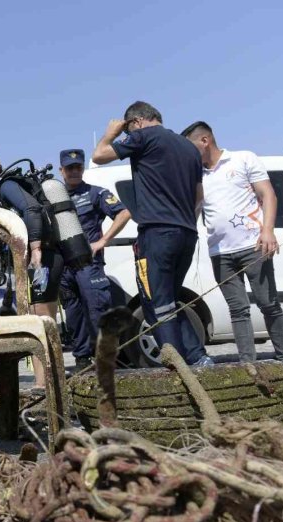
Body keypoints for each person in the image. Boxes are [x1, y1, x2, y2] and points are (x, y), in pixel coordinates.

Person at [92, 101, 214, 366]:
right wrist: (185, 224)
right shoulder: (189, 147)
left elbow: (98, 156)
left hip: (157, 234)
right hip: (186, 233)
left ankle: (178, 364)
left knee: (155, 303)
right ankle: (198, 357)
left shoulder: (142, 136)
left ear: (136, 122)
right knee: (169, 299)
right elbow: (199, 198)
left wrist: (112, 133)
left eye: (128, 130)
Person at [182, 121, 283, 381]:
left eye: (191, 147)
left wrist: (268, 230)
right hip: (220, 254)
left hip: (253, 246)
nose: (189, 154)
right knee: (238, 310)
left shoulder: (243, 159)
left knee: (268, 304)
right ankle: (247, 367)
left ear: (204, 141)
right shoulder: (197, 175)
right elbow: (195, 209)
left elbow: (268, 194)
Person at [0, 149, 62, 393]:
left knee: (41, 319)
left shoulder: (7, 185)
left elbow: (31, 209)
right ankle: (44, 382)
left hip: (41, 259)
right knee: (35, 320)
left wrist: (36, 248)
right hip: (30, 263)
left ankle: (47, 383)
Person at [57, 149, 132, 371]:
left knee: (98, 310)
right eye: (69, 168)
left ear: (83, 168)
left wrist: (104, 240)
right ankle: (81, 360)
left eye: (78, 167)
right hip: (65, 268)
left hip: (89, 264)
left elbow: (124, 213)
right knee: (74, 314)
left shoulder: (95, 193)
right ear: (61, 170)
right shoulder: (53, 198)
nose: (74, 171)